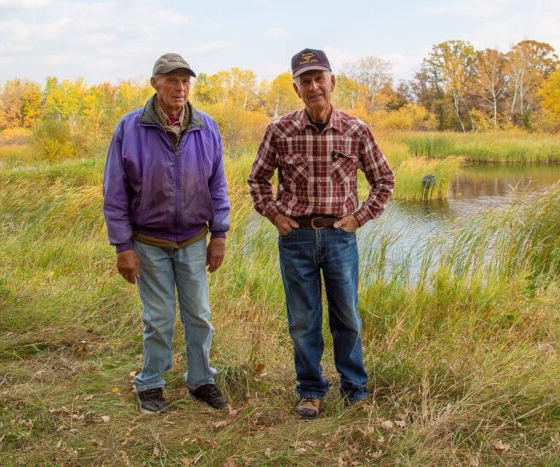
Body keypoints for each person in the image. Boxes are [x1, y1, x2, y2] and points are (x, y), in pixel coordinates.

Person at [247, 48, 394, 418]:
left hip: (339, 236)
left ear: (333, 82)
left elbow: (384, 181)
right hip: (295, 238)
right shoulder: (279, 131)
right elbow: (257, 180)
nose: (314, 87)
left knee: (346, 315)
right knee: (303, 319)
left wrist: (359, 218)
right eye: (305, 81)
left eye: (319, 79)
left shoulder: (356, 130)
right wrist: (275, 216)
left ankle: (354, 388)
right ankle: (310, 390)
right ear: (296, 89)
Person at [103, 53, 230, 414]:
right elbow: (115, 192)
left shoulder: (207, 127)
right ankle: (151, 382)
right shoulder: (130, 128)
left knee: (199, 316)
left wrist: (218, 233)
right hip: (148, 242)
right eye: (171, 80)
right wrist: (122, 245)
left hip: (193, 239)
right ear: (155, 83)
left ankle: (201, 379)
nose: (180, 87)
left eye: (185, 80)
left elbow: (218, 185)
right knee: (157, 317)